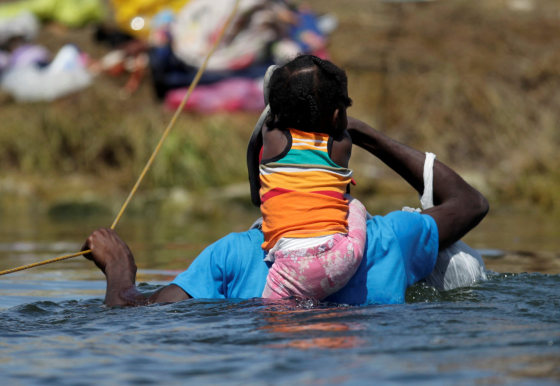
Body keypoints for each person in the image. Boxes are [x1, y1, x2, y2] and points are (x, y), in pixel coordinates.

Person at [83, 115, 489, 307]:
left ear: (262, 190)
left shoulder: (234, 254)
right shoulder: (389, 238)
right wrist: (363, 134)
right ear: (347, 186)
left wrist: (120, 270)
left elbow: (130, 311)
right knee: (460, 260)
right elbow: (470, 204)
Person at [258, 55, 367, 300]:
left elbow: (269, 116)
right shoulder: (341, 145)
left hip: (291, 268)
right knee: (353, 204)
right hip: (343, 257)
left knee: (273, 319)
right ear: (338, 115)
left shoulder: (271, 137)